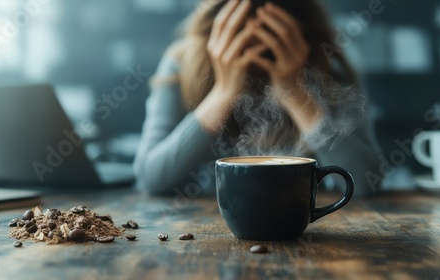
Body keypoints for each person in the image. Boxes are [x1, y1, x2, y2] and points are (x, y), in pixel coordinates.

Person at [133, 0, 382, 197]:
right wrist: (223, 92)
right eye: (239, 39)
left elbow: (364, 182)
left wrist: (294, 91)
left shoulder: (327, 64)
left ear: (299, 29)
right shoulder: (182, 64)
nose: (254, 56)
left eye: (269, 39)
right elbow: (151, 178)